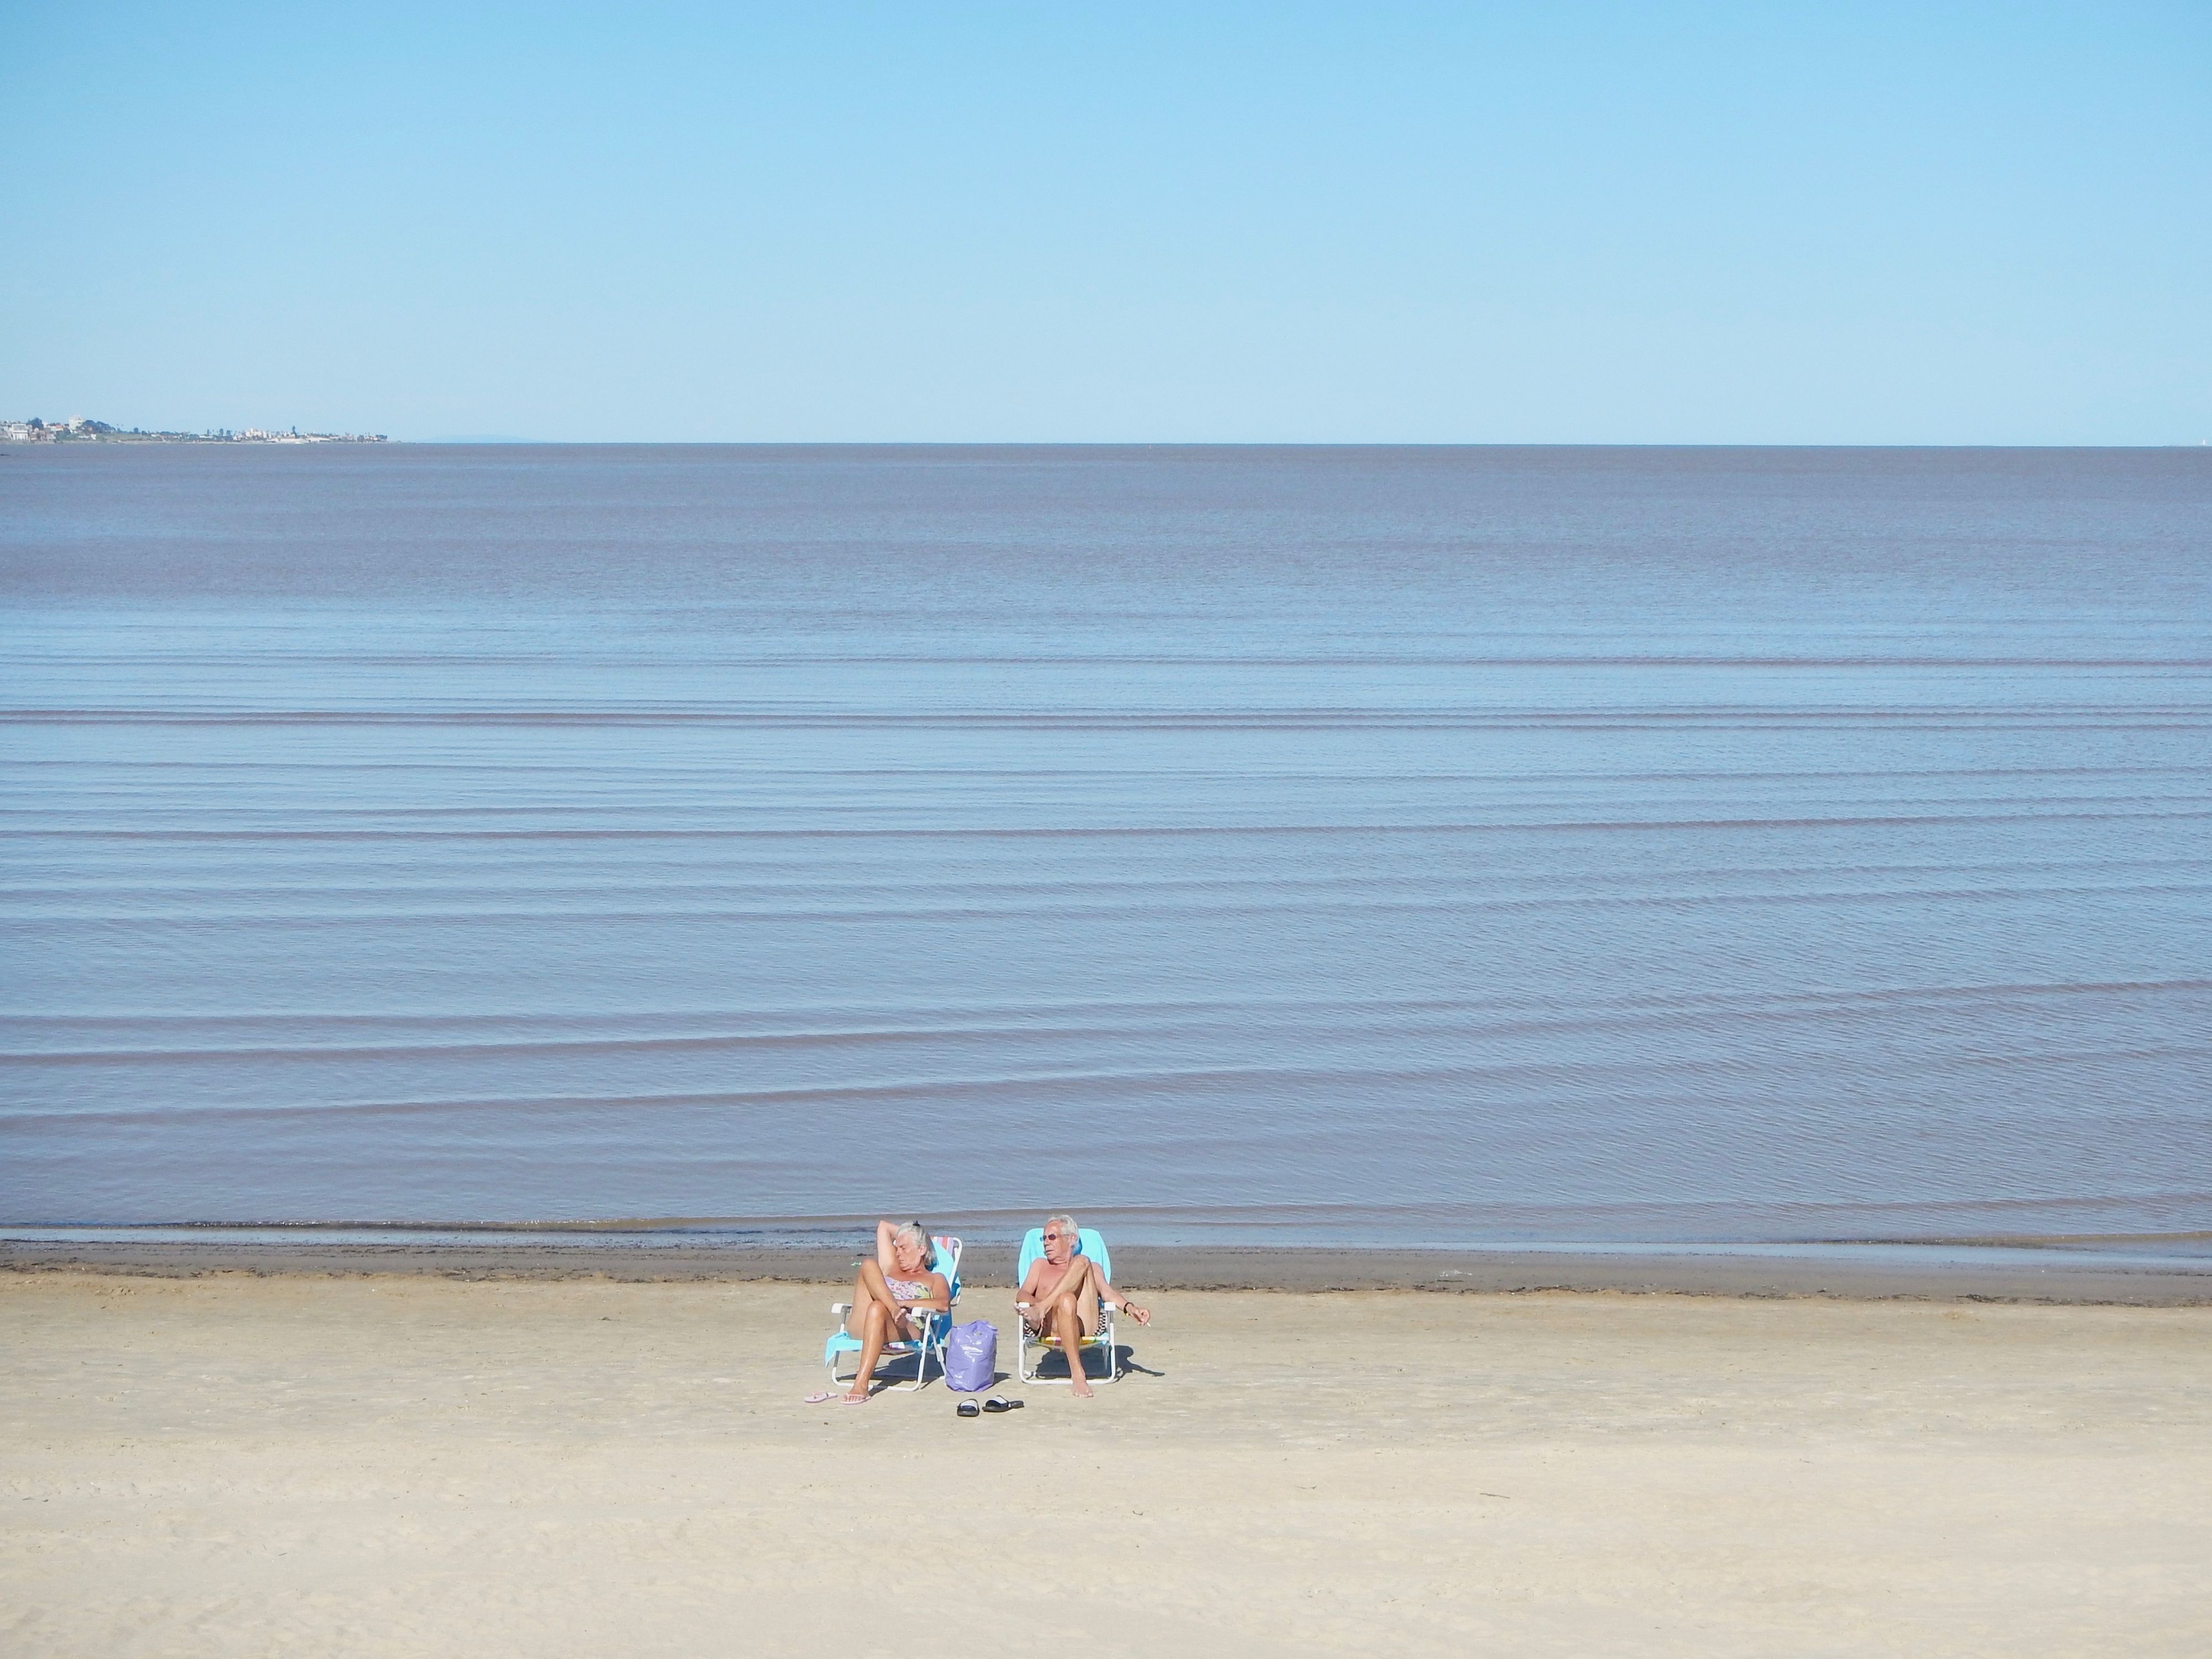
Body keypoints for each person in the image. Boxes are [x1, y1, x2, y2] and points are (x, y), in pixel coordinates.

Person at [1014, 1212, 1149, 1399]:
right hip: (1050, 1325)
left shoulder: (1090, 1267)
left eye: (1052, 1237)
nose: (1046, 1242)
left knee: (1082, 1263)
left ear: (1072, 1239)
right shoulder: (1040, 1265)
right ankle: (1078, 1374)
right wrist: (1036, 1304)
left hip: (1084, 1325)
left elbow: (1108, 1293)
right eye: (1044, 1238)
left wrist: (1131, 1308)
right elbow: (1022, 1294)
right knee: (1066, 1300)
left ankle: (1044, 1309)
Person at [833, 1218, 950, 1404]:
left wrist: (905, 1303)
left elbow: (943, 1304)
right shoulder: (891, 1267)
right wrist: (910, 1233)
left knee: (878, 1307)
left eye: (904, 1248)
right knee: (869, 1265)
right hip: (866, 1324)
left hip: (906, 1327)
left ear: (922, 1249)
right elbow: (883, 1226)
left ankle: (861, 1384)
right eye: (897, 1248)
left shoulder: (934, 1278)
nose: (898, 1253)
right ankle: (893, 1308)